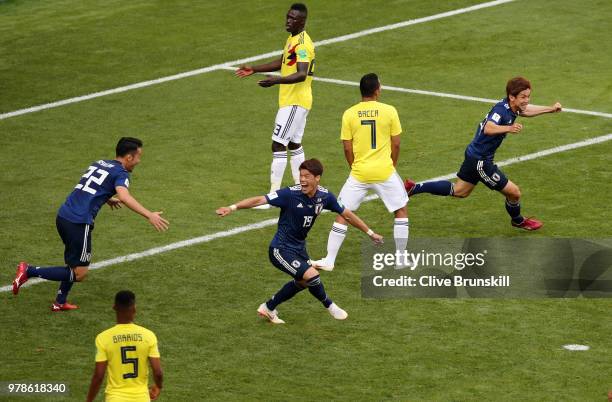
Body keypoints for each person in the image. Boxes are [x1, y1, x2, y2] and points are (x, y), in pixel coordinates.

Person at [216, 159, 383, 324]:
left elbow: (347, 214)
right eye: (301, 176)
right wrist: (232, 208)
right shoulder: (289, 194)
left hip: (299, 248)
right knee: (312, 275)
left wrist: (370, 232)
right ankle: (330, 305)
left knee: (303, 282)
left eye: (307, 176)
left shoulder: (325, 197)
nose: (302, 180)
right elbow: (260, 200)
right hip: (280, 249)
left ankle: (268, 307)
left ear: (317, 178)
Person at [12, 137, 169, 311]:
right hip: (78, 223)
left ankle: (60, 302)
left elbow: (90, 187)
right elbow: (125, 197)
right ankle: (29, 271)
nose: (139, 161)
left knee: (73, 262)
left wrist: (106, 198)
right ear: (129, 157)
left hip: (64, 216)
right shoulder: (121, 173)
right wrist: (149, 215)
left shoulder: (100, 163)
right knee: (79, 273)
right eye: (138, 157)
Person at [404, 77, 562, 230]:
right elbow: (489, 127)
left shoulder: (513, 107)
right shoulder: (501, 110)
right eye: (523, 97)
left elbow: (526, 110)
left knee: (460, 191)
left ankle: (414, 188)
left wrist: (550, 109)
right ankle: (518, 221)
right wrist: (509, 128)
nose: (526, 100)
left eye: (528, 96)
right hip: (481, 161)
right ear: (511, 97)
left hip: (474, 154)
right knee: (514, 193)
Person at [312, 73, 409, 271]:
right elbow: (396, 143)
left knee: (343, 212)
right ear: (376, 90)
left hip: (359, 173)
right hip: (385, 171)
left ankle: (329, 260)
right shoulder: (389, 111)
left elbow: (347, 148)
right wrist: (392, 164)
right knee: (400, 210)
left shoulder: (349, 113)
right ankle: (400, 258)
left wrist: (354, 167)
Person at [235, 3, 315, 208]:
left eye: (292, 18)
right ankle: (302, 190)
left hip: (294, 101)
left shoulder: (303, 44)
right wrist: (254, 69)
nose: (287, 21)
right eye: (287, 16)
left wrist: (275, 81)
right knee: (294, 144)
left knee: (278, 144)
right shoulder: (293, 39)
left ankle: (273, 197)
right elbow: (283, 62)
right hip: (298, 101)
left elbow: (301, 73)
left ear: (302, 21)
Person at [86, 290, 163, 402]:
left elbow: (99, 375)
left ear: (114, 307)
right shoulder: (148, 336)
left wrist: (89, 400)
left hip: (115, 398)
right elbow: (158, 372)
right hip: (141, 398)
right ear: (134, 309)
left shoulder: (104, 338)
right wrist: (158, 386)